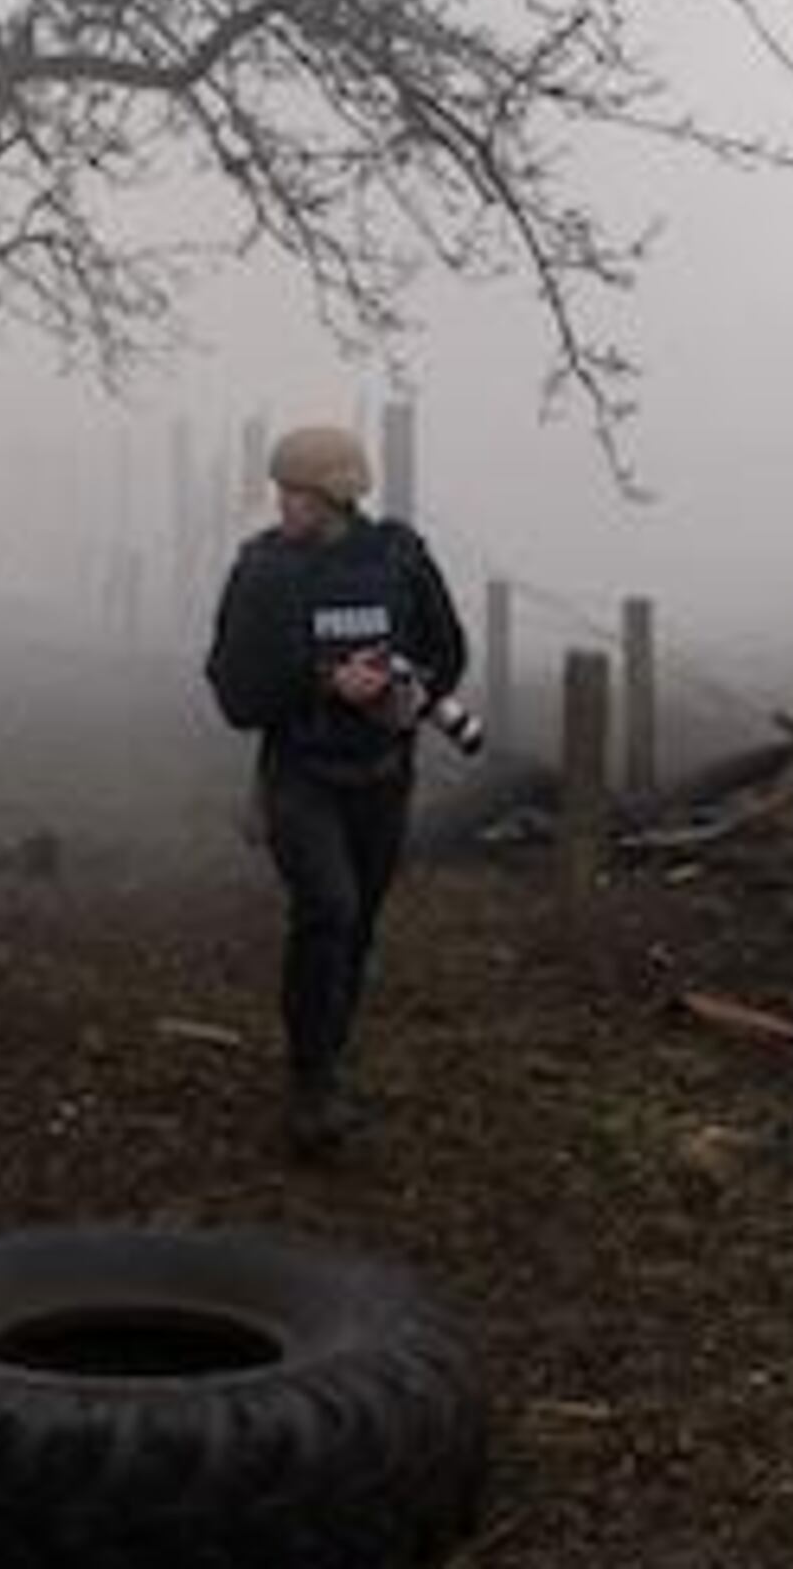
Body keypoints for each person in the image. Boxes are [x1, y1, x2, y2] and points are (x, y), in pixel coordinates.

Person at [202, 423, 468, 1161]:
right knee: (328, 910)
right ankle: (310, 1086)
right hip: (300, 776)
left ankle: (327, 1058)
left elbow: (448, 653)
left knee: (358, 928)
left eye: (297, 493)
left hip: (383, 776)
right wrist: (322, 682)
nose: (283, 505)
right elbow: (233, 690)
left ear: (338, 496)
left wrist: (400, 683)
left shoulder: (400, 559)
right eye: (280, 491)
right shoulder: (264, 572)